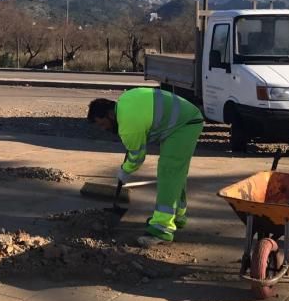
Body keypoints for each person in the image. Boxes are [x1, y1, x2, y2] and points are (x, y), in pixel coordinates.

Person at [87, 87, 205, 247]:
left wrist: (125, 170)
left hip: (185, 124)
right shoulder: (125, 101)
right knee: (176, 173)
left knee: (168, 173)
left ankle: (162, 229)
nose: (104, 129)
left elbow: (137, 158)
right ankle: (177, 216)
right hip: (185, 119)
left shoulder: (128, 126)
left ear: (109, 115)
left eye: (103, 124)